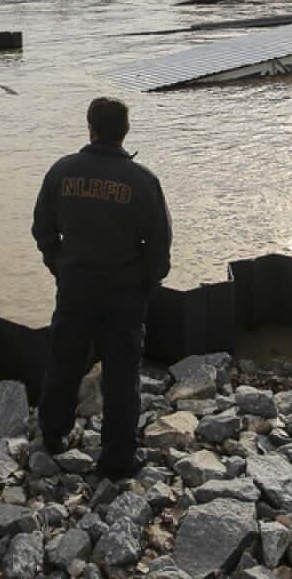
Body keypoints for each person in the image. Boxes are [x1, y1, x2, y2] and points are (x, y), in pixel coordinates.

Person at [32, 97, 172, 480]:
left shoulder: (62, 172)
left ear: (89, 128)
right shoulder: (143, 182)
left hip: (75, 289)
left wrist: (59, 265)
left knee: (64, 361)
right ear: (125, 132)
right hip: (123, 295)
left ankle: (53, 434)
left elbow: (42, 228)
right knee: (122, 375)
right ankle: (117, 458)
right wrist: (145, 285)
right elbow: (159, 248)